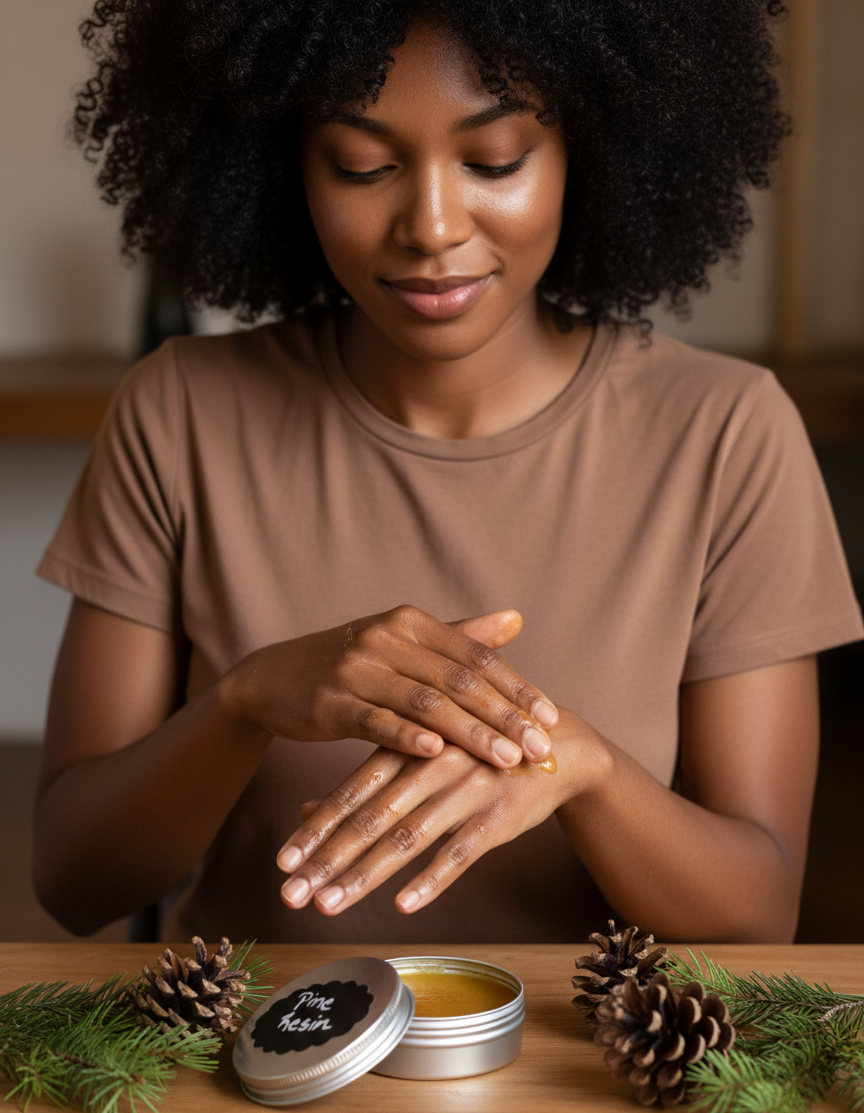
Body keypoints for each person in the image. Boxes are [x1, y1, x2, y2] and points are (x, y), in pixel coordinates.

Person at [34, 0, 862, 946]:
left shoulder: (726, 435)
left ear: (586, 153)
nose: (431, 225)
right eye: (363, 165)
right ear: (282, 166)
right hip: (251, 1068)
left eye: (496, 158)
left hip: (585, 1079)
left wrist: (579, 772)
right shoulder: (180, 414)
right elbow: (73, 879)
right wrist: (245, 701)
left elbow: (757, 921)